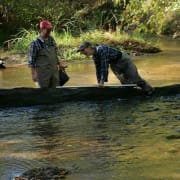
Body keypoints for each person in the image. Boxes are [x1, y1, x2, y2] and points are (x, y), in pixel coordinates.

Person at [77, 42, 153, 95]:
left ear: (89, 47)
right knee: (125, 83)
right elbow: (98, 69)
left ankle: (149, 91)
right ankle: (132, 95)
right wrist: (99, 82)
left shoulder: (101, 50)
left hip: (124, 61)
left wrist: (102, 82)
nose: (82, 53)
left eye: (83, 50)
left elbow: (104, 67)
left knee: (136, 79)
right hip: (114, 65)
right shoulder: (95, 56)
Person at [28, 20, 63, 88]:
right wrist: (33, 74)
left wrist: (60, 63)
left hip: (54, 72)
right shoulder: (35, 43)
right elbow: (31, 61)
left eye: (50, 29)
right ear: (42, 29)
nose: (49, 31)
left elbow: (56, 52)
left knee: (55, 92)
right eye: (48, 29)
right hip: (42, 75)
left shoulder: (51, 39)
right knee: (43, 94)